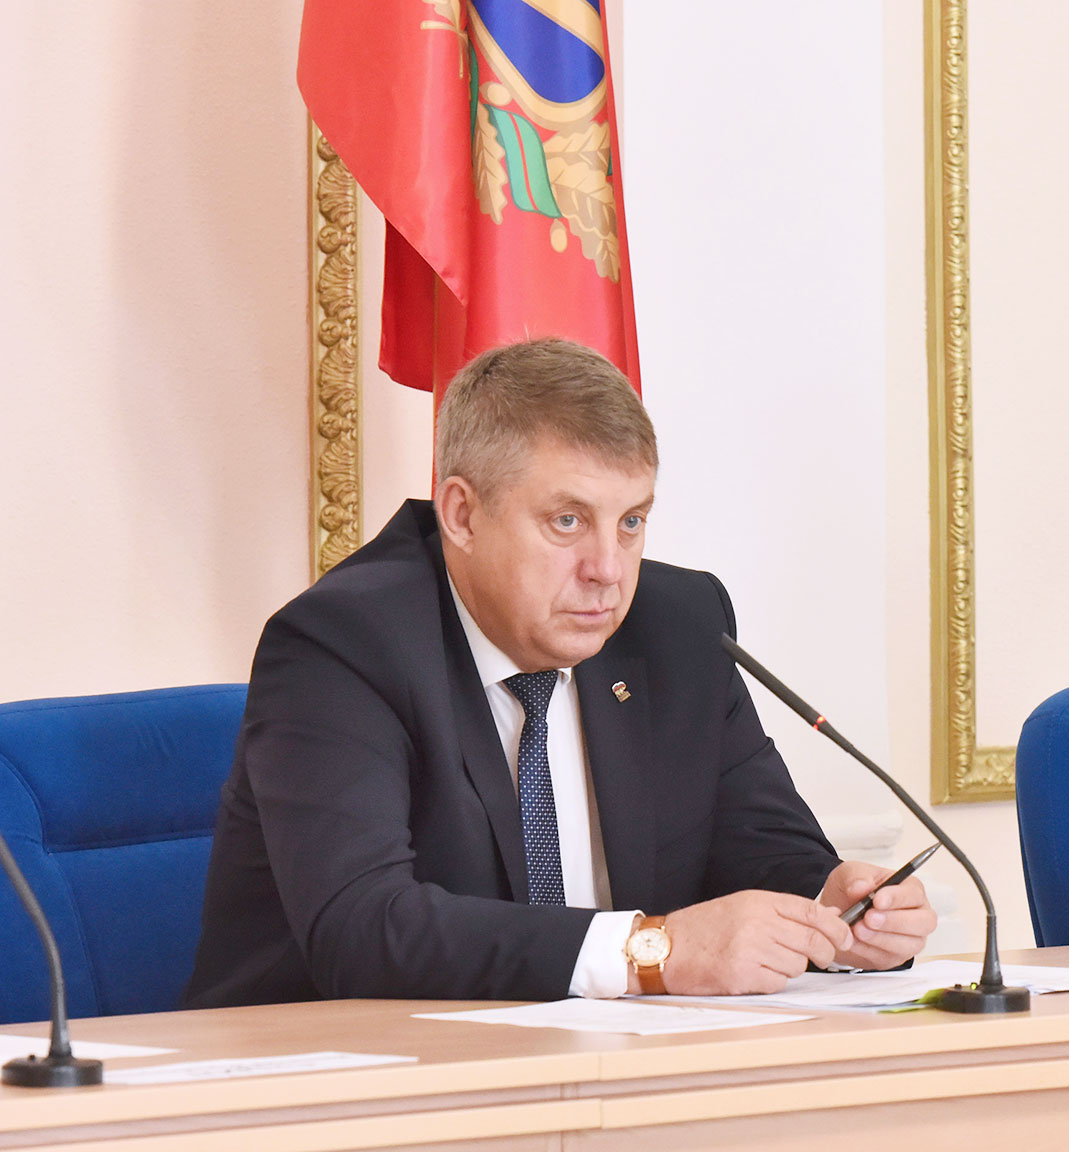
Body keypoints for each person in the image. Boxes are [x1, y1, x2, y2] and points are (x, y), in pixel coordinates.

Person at [185, 338, 933, 1007]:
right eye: (567, 521)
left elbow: (761, 849)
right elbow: (363, 928)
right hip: (342, 1078)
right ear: (462, 514)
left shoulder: (678, 626)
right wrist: (651, 951)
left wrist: (835, 909)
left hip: (612, 1071)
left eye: (631, 522)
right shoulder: (343, 644)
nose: (608, 570)